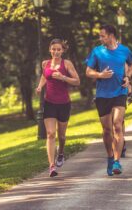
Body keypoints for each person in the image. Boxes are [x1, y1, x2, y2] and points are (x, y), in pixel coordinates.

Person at [86, 24, 132, 176]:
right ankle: (109, 156)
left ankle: (116, 161)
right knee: (107, 130)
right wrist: (100, 75)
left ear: (111, 35)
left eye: (103, 36)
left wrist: (128, 77)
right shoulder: (97, 51)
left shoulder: (124, 50)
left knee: (117, 125)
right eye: (100, 36)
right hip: (102, 95)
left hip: (119, 92)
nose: (100, 38)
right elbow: (88, 71)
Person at [36, 39, 80, 177]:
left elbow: (77, 81)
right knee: (50, 133)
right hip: (49, 103)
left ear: (62, 51)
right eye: (53, 49)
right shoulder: (45, 64)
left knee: (61, 136)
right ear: (50, 49)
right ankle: (51, 166)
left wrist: (63, 77)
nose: (56, 52)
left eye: (58, 49)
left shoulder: (67, 64)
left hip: (64, 104)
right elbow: (44, 76)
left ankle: (60, 153)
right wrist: (39, 86)